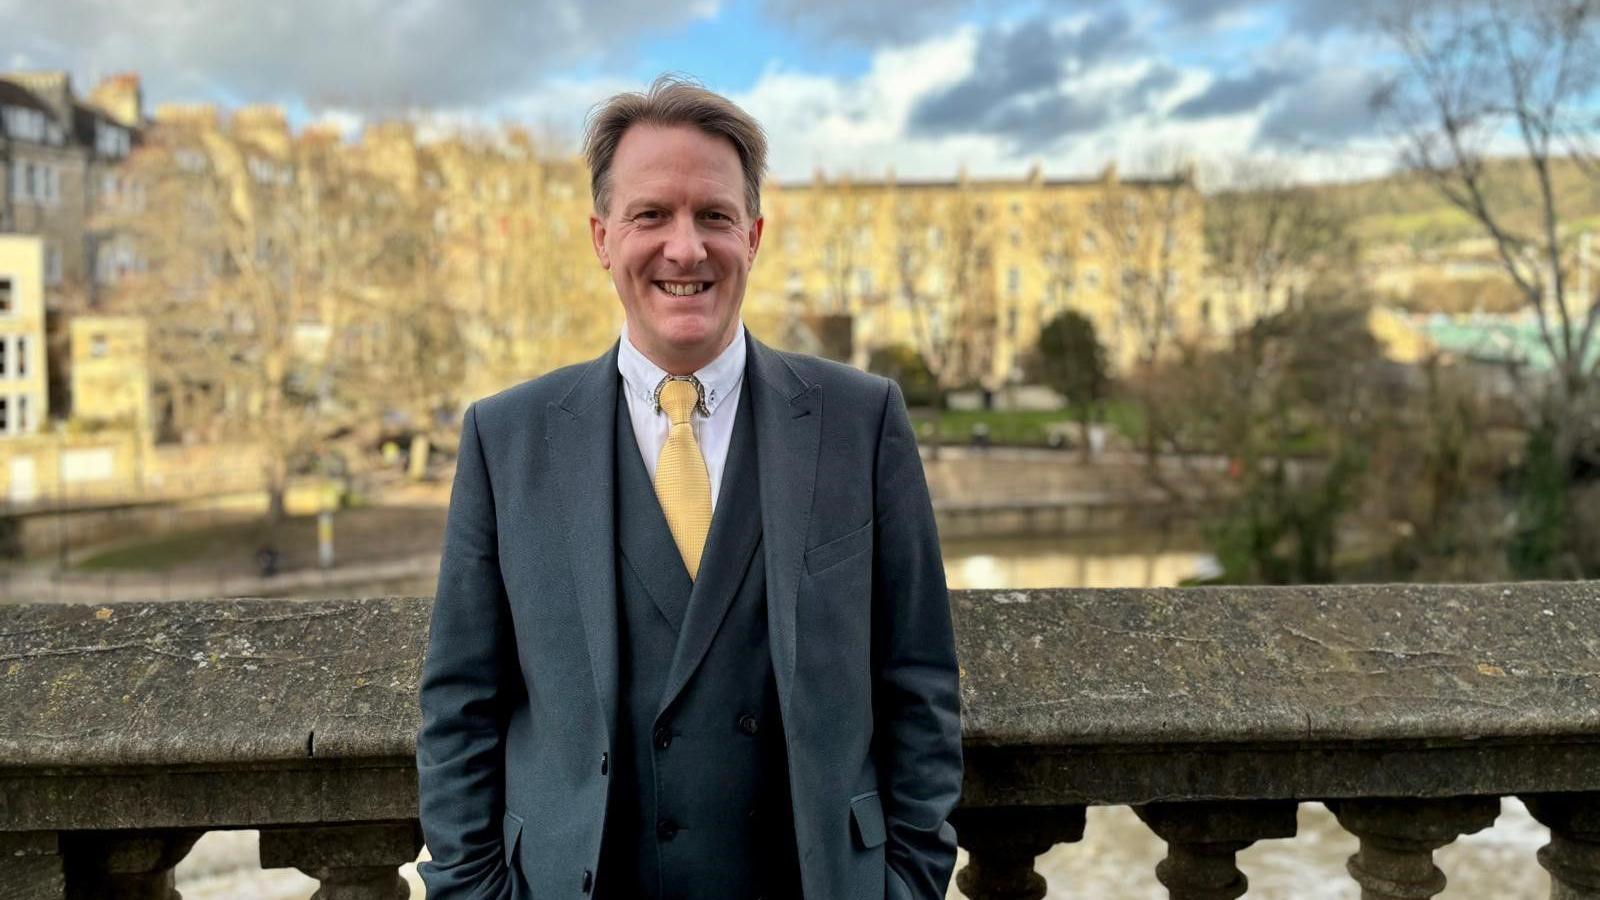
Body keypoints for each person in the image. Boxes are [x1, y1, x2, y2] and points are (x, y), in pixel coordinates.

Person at [416, 75, 962, 900]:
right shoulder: (506, 437)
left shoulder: (864, 419)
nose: (685, 248)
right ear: (602, 237)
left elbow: (919, 678)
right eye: (651, 216)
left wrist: (907, 886)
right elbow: (460, 703)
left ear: (755, 234)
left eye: (713, 215)